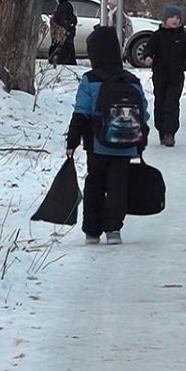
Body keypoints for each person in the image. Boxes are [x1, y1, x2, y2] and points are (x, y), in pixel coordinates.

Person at [66, 26, 150, 245]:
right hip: (126, 144)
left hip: (97, 144)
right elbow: (143, 112)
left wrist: (72, 141)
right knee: (118, 187)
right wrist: (141, 140)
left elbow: (81, 112)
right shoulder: (131, 80)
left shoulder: (90, 80)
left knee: (94, 184)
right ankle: (113, 230)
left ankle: (92, 232)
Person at [148, 4, 186, 147]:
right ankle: (161, 129)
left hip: (176, 77)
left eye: (177, 18)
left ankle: (170, 133)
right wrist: (148, 57)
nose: (175, 20)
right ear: (165, 19)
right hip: (160, 75)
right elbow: (149, 49)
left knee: (172, 103)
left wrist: (183, 66)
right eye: (171, 17)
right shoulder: (157, 36)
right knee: (160, 102)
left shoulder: (183, 37)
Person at [50, 0, 78, 65]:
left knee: (60, 48)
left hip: (61, 33)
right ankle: (70, 60)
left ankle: (59, 60)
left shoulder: (60, 9)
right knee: (69, 47)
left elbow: (58, 20)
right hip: (69, 33)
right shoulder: (69, 8)